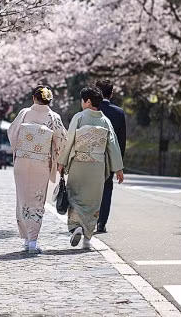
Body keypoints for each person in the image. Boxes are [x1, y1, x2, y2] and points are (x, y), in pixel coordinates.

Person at [57, 86, 124, 249]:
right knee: (93, 201)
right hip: (97, 166)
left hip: (79, 164)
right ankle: (87, 238)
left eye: (82, 100)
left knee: (75, 197)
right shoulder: (105, 121)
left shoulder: (79, 117)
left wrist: (62, 161)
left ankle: (76, 227)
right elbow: (113, 146)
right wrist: (119, 168)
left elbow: (69, 140)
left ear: (87, 101)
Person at [7, 86, 66, 254]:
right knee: (37, 200)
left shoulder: (24, 113)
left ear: (34, 98)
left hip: (22, 162)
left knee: (23, 199)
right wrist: (56, 158)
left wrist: (20, 150)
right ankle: (33, 241)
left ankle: (26, 239)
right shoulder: (54, 117)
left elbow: (12, 133)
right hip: (41, 162)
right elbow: (61, 141)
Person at [95, 80, 127, 234]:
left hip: (90, 157)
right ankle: (101, 223)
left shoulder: (91, 109)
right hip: (110, 158)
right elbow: (121, 141)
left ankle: (87, 220)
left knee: (90, 188)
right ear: (112, 93)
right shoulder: (118, 113)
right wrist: (119, 165)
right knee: (107, 188)